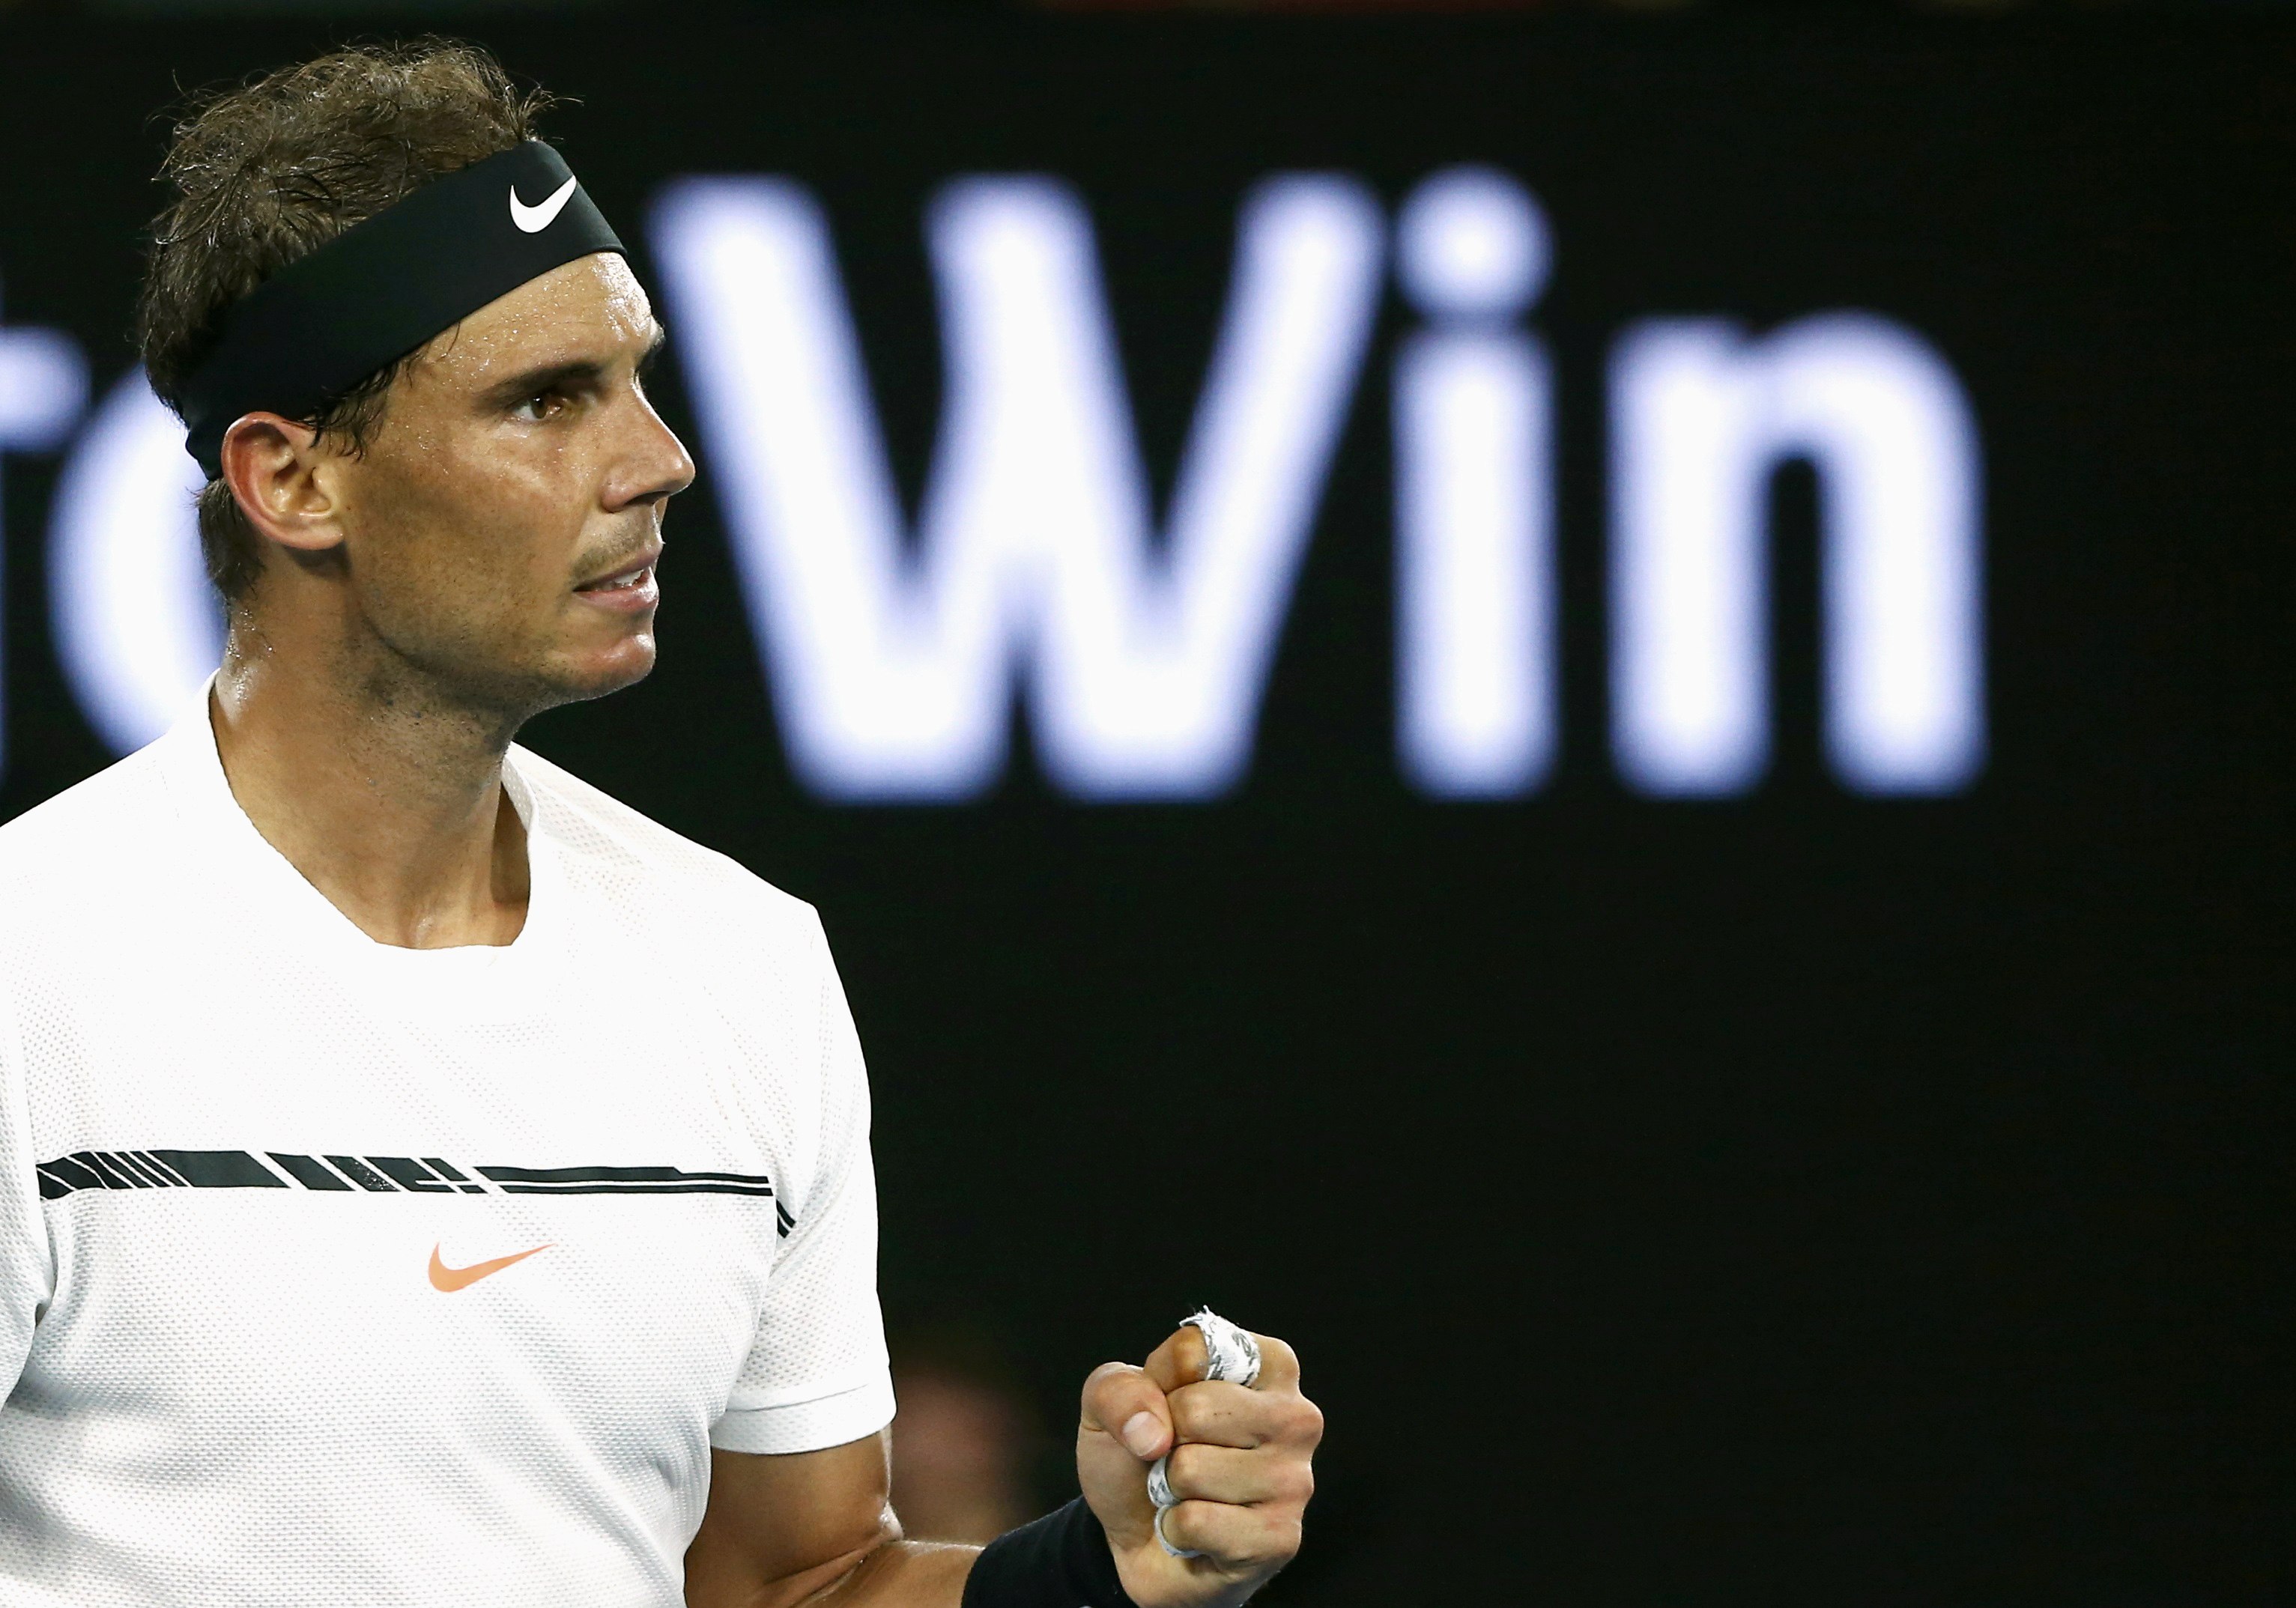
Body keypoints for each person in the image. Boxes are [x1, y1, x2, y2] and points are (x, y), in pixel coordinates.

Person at [0, 42, 1319, 1608]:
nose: (660, 459)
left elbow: (791, 1583)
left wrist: (1099, 1577)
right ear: (293, 482)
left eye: (636, 379)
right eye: (548, 400)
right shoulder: (34, 976)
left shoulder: (743, 964)